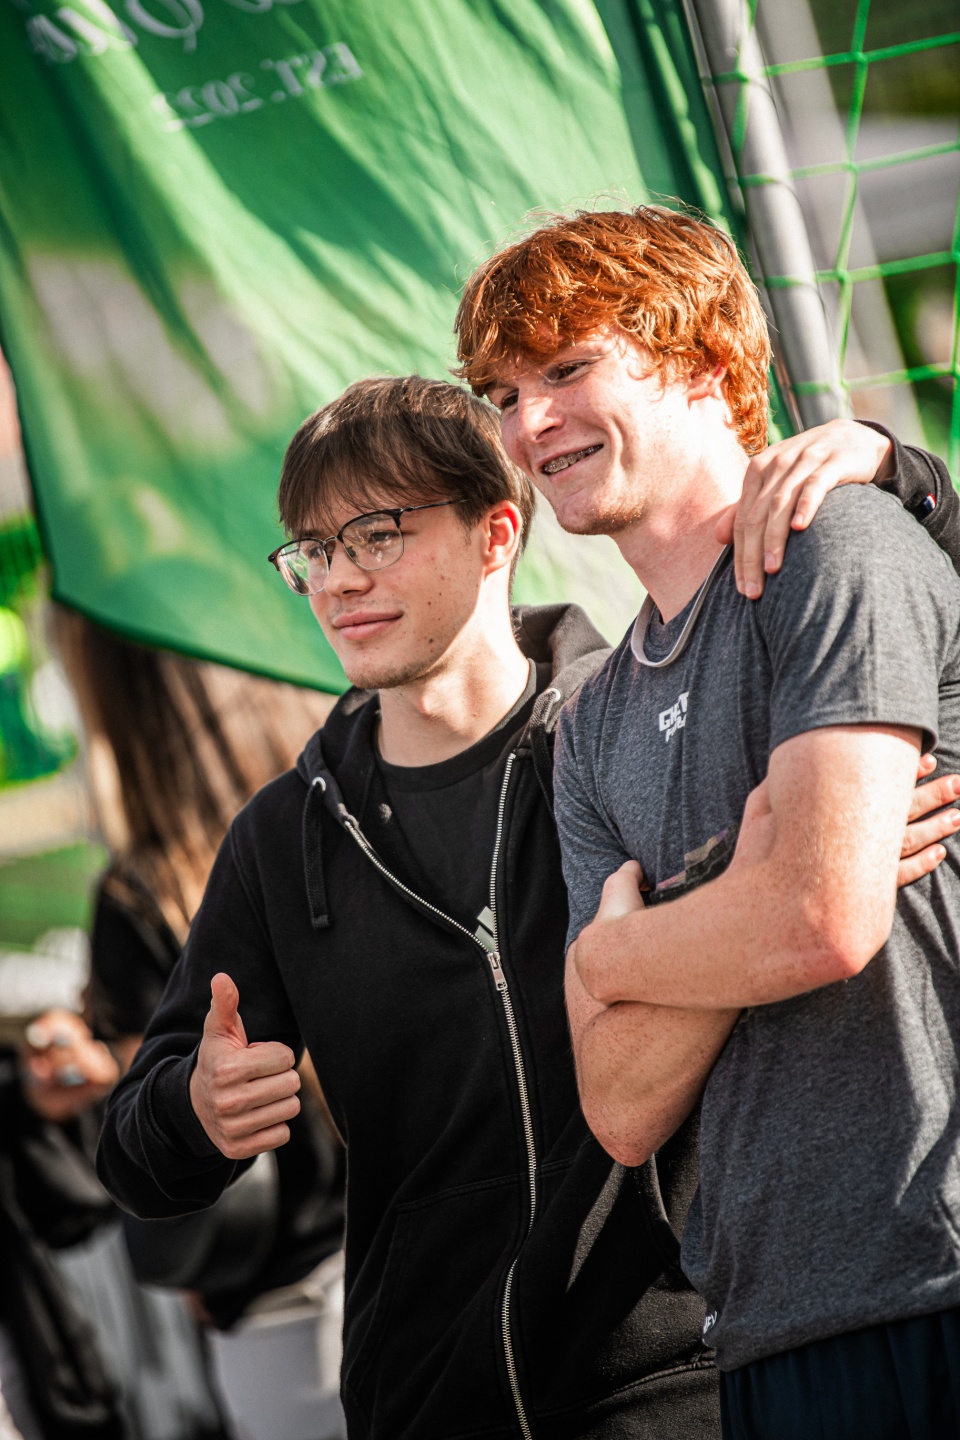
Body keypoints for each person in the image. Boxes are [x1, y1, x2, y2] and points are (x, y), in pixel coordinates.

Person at [97, 374, 958, 1439]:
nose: (338, 579)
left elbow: (910, 620)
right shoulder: (284, 838)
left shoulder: (632, 730)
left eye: (376, 535)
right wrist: (193, 1110)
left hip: (678, 1382)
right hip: (422, 1403)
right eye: (313, 550)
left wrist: (902, 471)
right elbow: (130, 1162)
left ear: (496, 533)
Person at [454, 204, 960, 1439]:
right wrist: (742, 882)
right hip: (767, 1325)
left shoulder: (839, 543)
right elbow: (621, 1107)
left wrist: (621, 954)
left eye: (567, 369)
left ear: (707, 362)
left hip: (939, 1267)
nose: (528, 424)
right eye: (504, 394)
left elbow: (821, 918)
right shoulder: (590, 721)